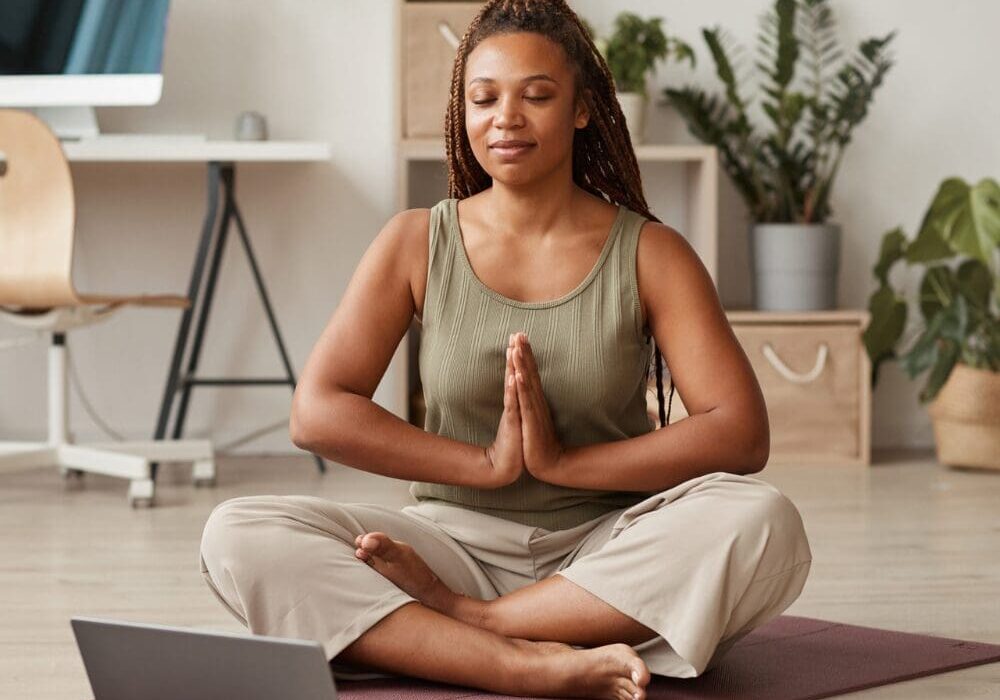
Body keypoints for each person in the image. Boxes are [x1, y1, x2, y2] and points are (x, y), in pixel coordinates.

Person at [198, 2, 812, 699]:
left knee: (763, 521)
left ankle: (470, 628)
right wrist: (486, 466)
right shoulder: (413, 242)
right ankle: (524, 664)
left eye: (537, 96)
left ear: (582, 109)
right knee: (238, 532)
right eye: (484, 98)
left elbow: (739, 430)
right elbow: (317, 411)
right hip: (448, 546)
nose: (506, 118)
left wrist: (564, 465)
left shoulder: (651, 252)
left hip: (605, 554)